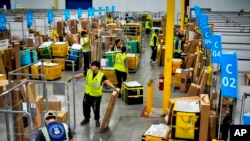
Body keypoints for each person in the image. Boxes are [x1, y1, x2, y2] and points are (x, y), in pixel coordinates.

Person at [74, 61, 116, 127]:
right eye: (91, 65)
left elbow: (107, 81)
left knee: (96, 109)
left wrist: (113, 86)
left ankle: (97, 120)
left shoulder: (101, 75)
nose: (91, 66)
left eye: (93, 65)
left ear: (97, 67)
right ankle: (86, 118)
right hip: (87, 94)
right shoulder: (88, 71)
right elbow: (82, 74)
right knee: (85, 107)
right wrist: (74, 77)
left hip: (96, 96)